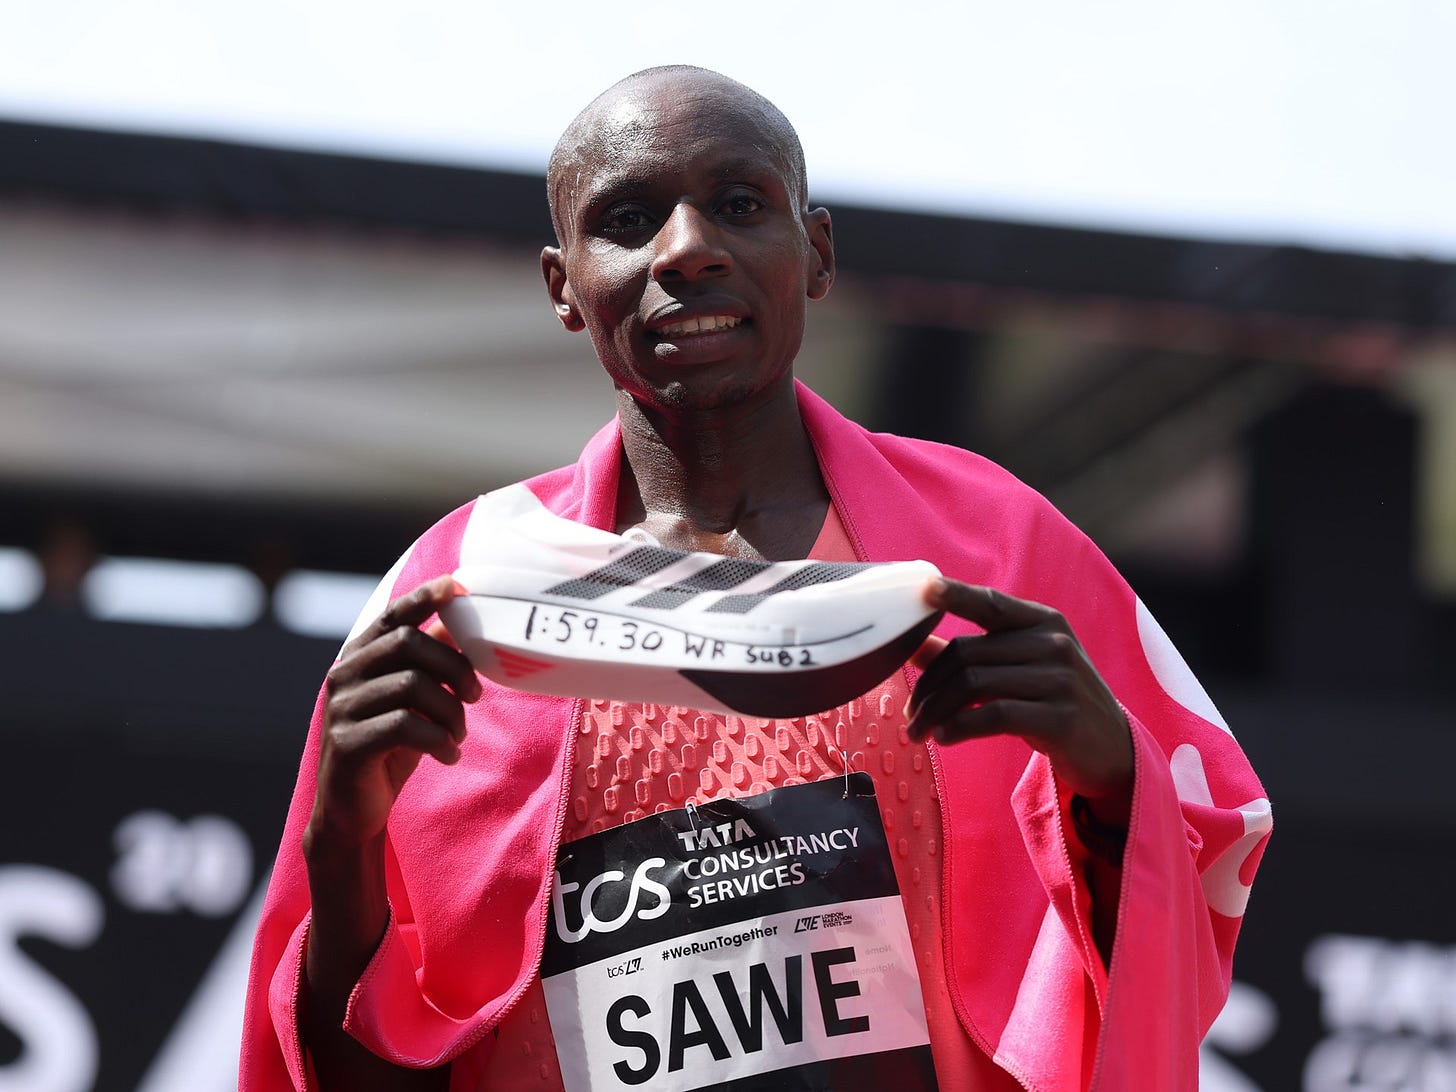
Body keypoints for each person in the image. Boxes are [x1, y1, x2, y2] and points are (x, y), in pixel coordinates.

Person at [241, 65, 1271, 1091]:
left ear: (814, 252)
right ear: (563, 288)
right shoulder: (462, 591)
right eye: (631, 218)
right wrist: (343, 844)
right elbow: (344, 1073)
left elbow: (1187, 908)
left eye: (739, 204)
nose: (687, 249)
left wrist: (1110, 781)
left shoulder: (994, 546)